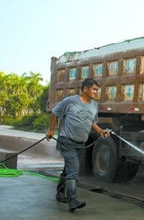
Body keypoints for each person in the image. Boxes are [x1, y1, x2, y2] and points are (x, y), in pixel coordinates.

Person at [46, 78, 110, 212]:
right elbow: (55, 113)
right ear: (85, 89)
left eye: (97, 90)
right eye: (94, 89)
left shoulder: (94, 105)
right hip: (67, 140)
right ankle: (72, 200)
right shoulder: (70, 101)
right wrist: (51, 130)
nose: (96, 92)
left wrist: (100, 131)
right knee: (74, 169)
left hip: (81, 143)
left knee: (69, 168)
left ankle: (60, 193)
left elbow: (91, 121)